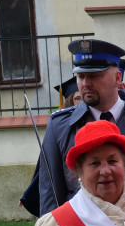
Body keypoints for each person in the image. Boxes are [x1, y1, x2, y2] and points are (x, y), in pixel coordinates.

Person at [38, 38, 125, 215]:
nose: (86, 84)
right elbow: (50, 197)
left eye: (94, 76)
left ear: (117, 77)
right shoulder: (60, 127)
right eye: (81, 76)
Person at [19, 77, 82, 217]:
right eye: (78, 98)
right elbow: (46, 166)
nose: (82, 102)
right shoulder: (59, 128)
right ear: (69, 100)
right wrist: (29, 193)